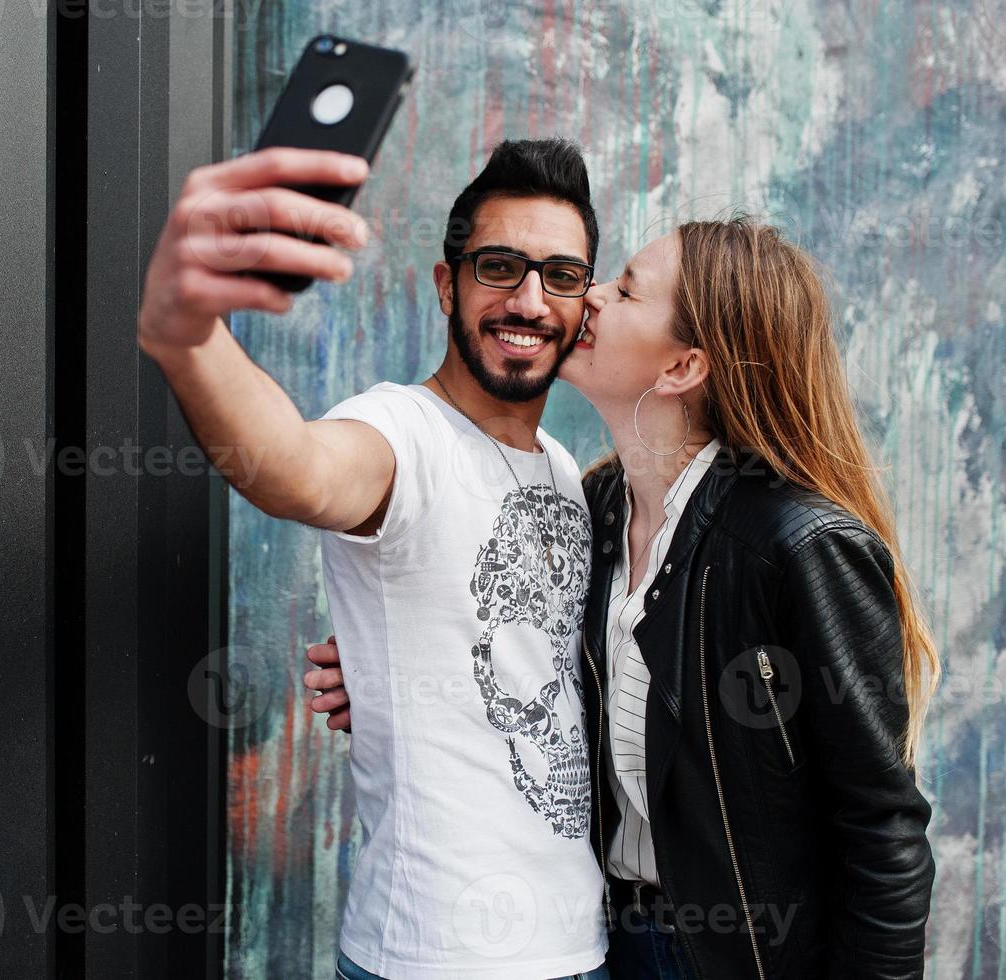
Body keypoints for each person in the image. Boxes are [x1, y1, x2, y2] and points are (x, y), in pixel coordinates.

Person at [305, 216, 939, 979]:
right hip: (603, 949)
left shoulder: (795, 544)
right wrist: (395, 664)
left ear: (681, 366)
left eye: (626, 289)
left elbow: (882, 829)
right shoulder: (592, 507)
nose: (590, 298)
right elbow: (532, 666)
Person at [138, 139, 612, 979]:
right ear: (446, 284)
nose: (529, 299)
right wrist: (186, 335)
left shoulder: (566, 475)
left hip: (580, 945)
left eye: (561, 276)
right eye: (498, 266)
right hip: (441, 956)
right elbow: (296, 470)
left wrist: (389, 676)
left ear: (582, 303)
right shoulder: (400, 433)